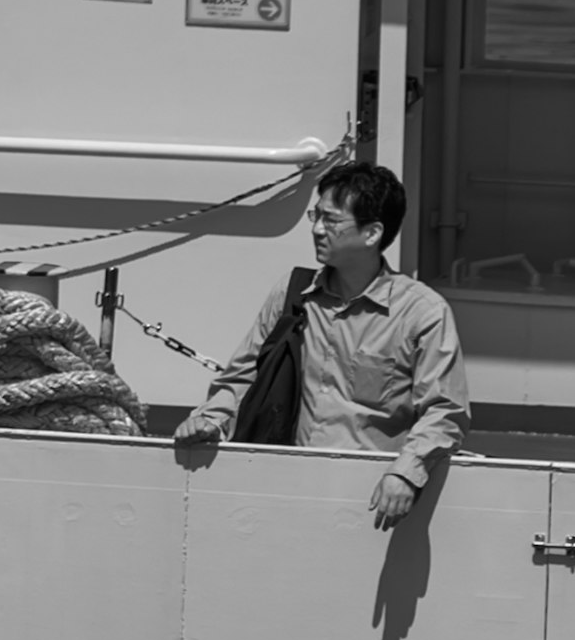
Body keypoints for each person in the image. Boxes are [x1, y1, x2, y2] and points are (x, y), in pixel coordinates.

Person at [174, 162, 468, 530]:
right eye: (316, 215)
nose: (316, 229)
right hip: (286, 487)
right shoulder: (293, 295)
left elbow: (445, 411)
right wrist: (211, 420)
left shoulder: (422, 313)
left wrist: (407, 474)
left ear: (372, 232)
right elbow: (243, 379)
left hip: (373, 501)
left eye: (331, 220)